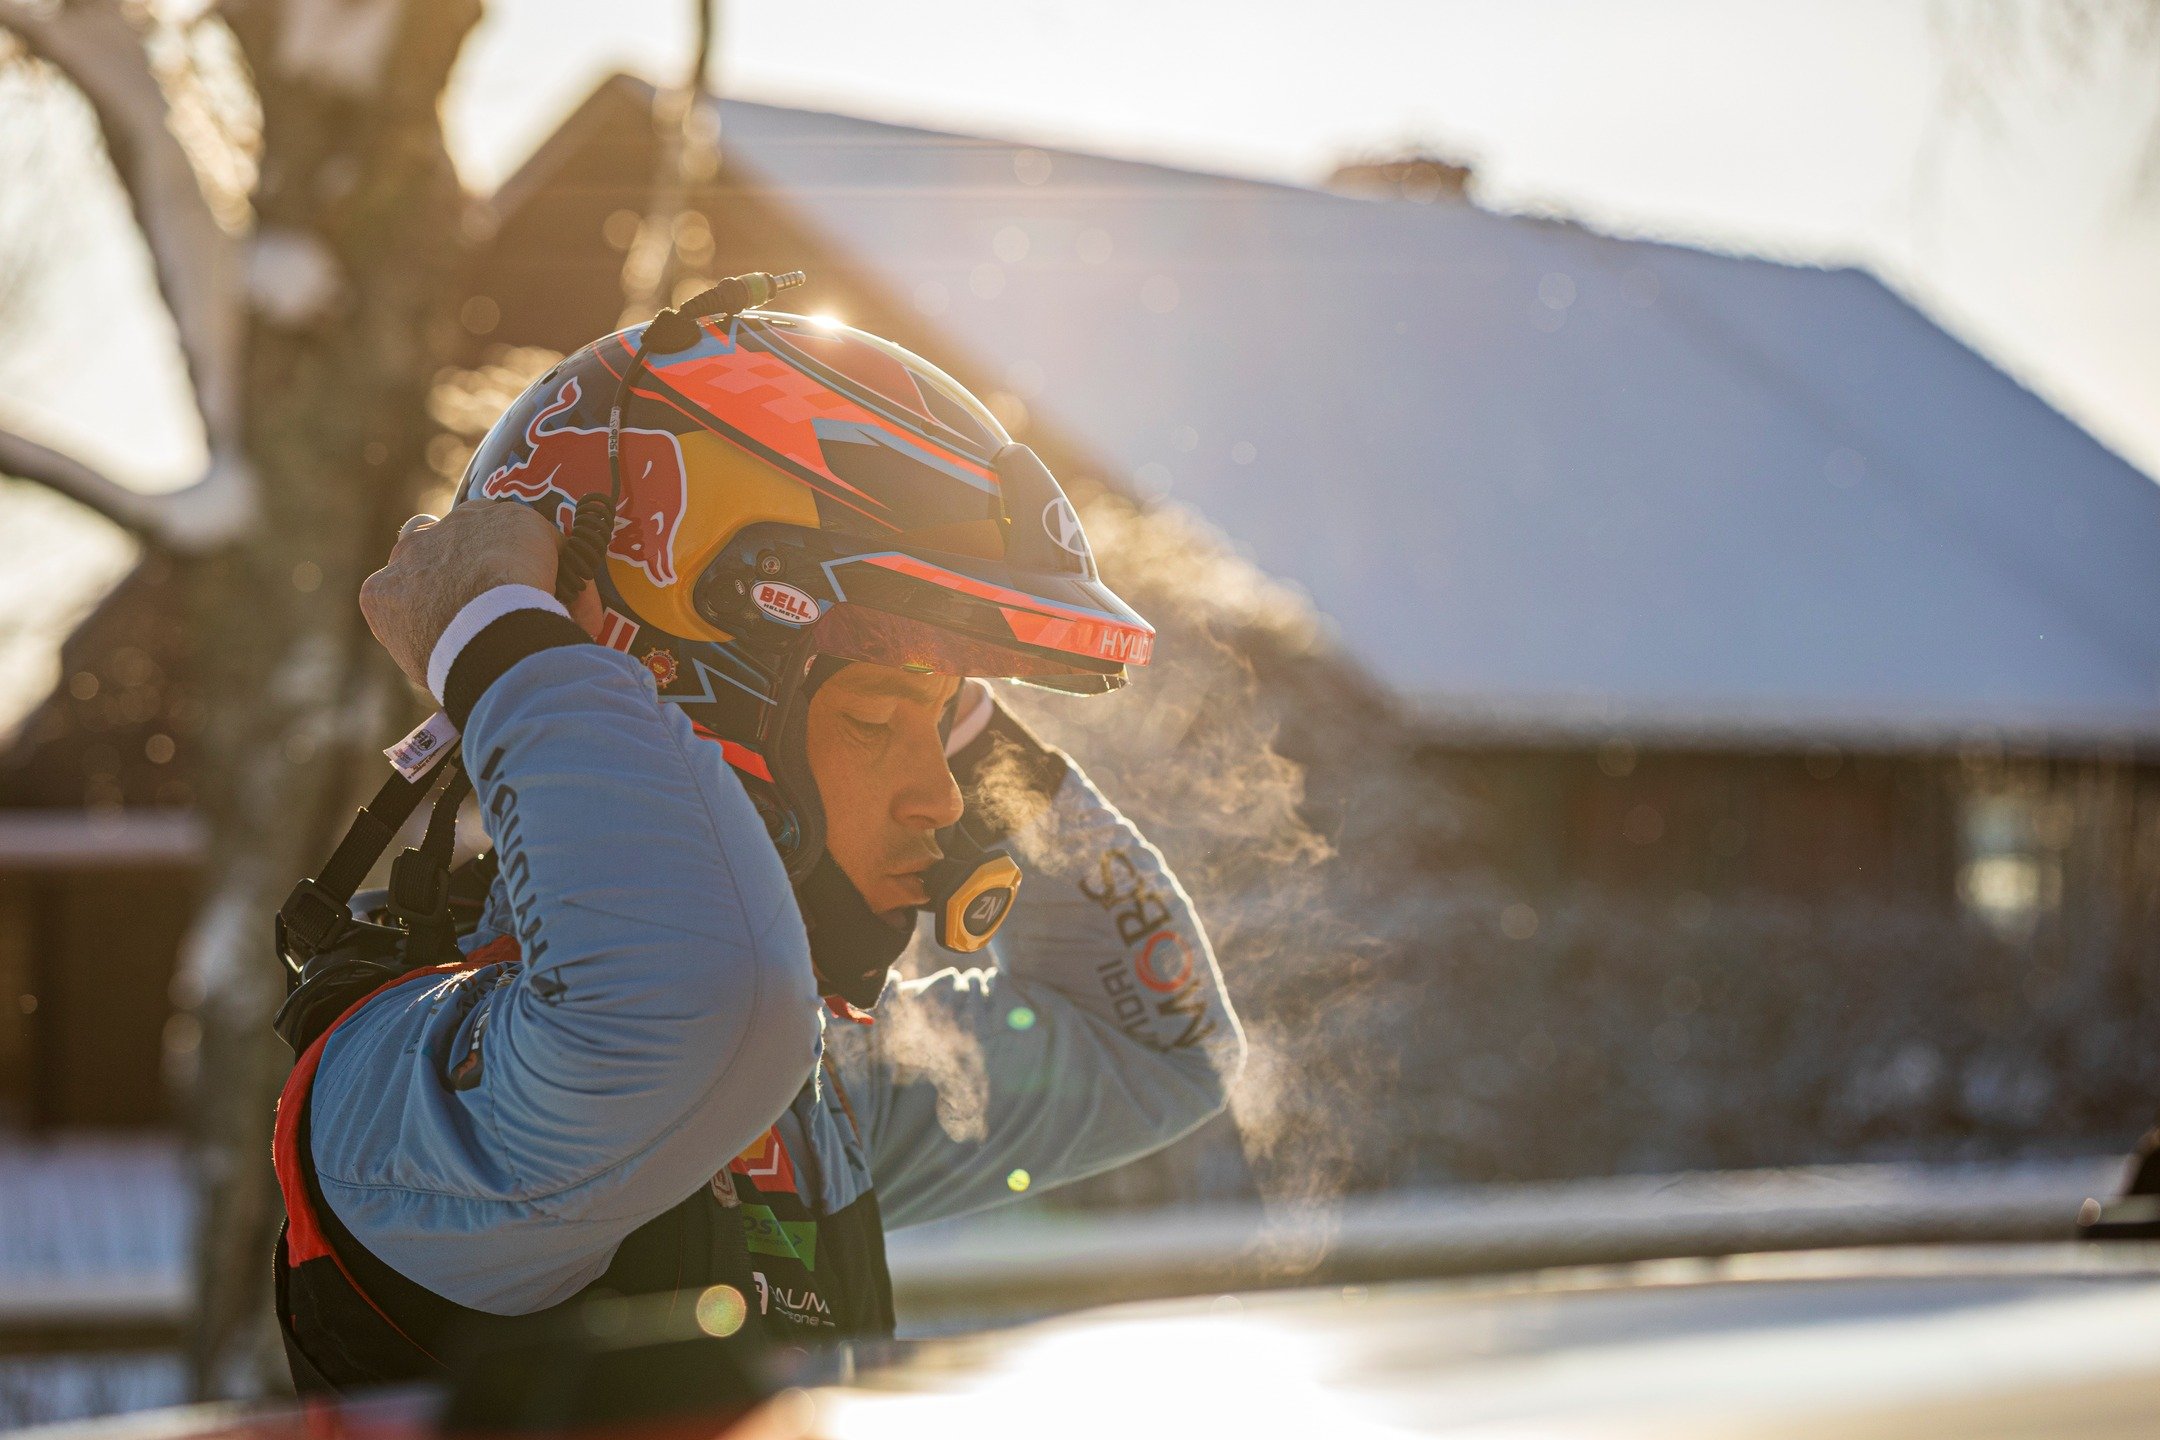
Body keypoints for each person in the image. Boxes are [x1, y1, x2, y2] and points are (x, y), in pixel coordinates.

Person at [270, 301, 1245, 1391]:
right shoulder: (409, 1097)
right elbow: (695, 1005)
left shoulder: (804, 1088)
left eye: (948, 730)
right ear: (681, 711)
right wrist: (500, 639)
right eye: (879, 723)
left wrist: (951, 693)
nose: (940, 798)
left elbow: (1162, 1043)